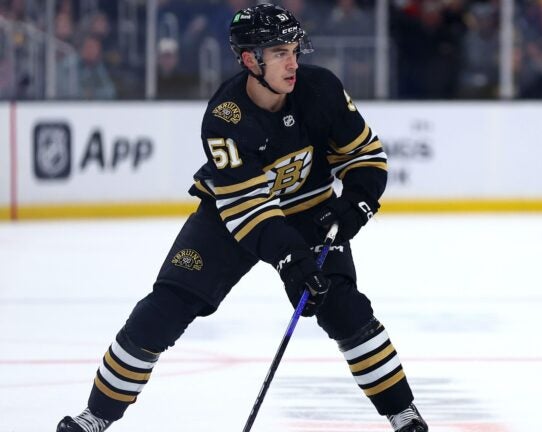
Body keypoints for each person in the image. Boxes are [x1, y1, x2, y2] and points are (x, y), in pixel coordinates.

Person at [56, 4, 428, 432]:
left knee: (345, 309)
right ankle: (96, 415)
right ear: (251, 60)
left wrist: (356, 204)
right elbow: (249, 210)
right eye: (279, 53)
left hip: (311, 210)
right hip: (232, 215)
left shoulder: (321, 89)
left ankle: (404, 412)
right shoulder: (225, 118)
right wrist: (291, 258)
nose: (293, 62)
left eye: (294, 50)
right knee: (164, 308)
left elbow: (366, 157)